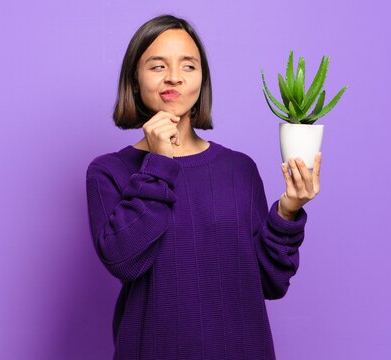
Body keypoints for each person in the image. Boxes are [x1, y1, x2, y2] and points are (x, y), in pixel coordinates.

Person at [85, 14, 322, 360]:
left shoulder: (239, 169)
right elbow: (125, 261)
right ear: (134, 81)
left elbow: (270, 281)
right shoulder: (109, 171)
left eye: (189, 66)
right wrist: (161, 162)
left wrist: (288, 211)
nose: (174, 77)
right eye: (156, 66)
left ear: (202, 80)